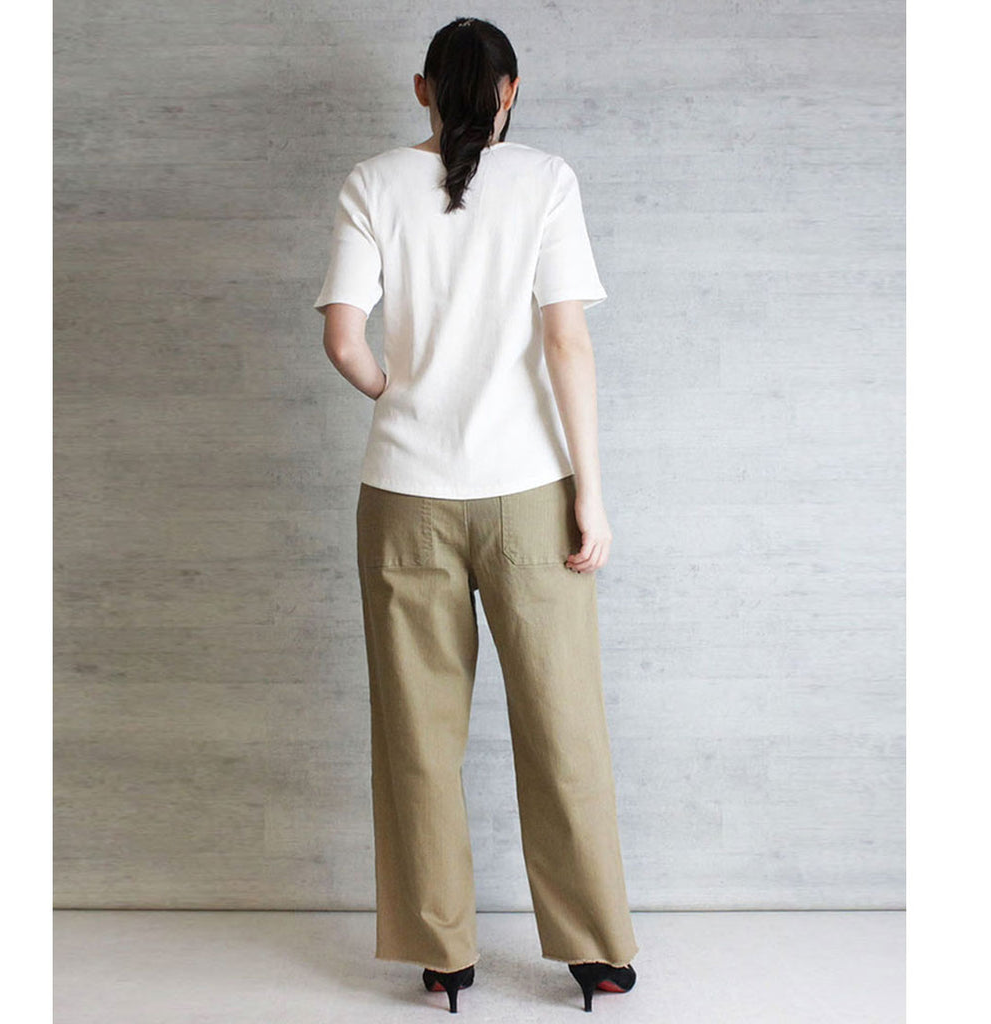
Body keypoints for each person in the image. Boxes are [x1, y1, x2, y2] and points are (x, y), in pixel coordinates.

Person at [313, 16, 639, 1014]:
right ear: (509, 90)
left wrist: (397, 394)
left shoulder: (372, 182)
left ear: (422, 89)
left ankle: (442, 953)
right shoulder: (545, 179)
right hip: (529, 491)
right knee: (563, 723)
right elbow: (566, 344)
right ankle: (594, 952)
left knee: (417, 734)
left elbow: (343, 339)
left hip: (403, 494)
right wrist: (589, 491)